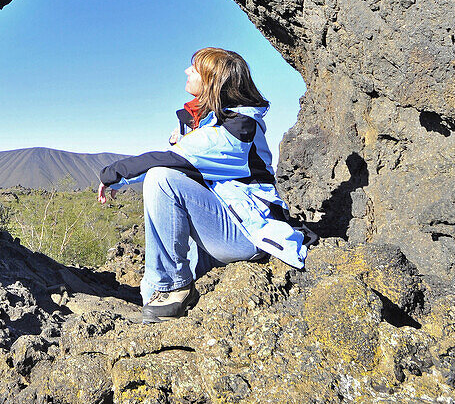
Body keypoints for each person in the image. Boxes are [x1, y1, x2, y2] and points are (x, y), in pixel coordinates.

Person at [96, 47, 311, 324]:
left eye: (194, 69)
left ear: (212, 81)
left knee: (161, 178)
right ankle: (162, 293)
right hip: (222, 226)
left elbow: (173, 160)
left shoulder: (237, 130)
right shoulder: (213, 122)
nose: (187, 71)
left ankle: (173, 288)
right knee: (166, 179)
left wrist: (112, 174)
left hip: (245, 234)